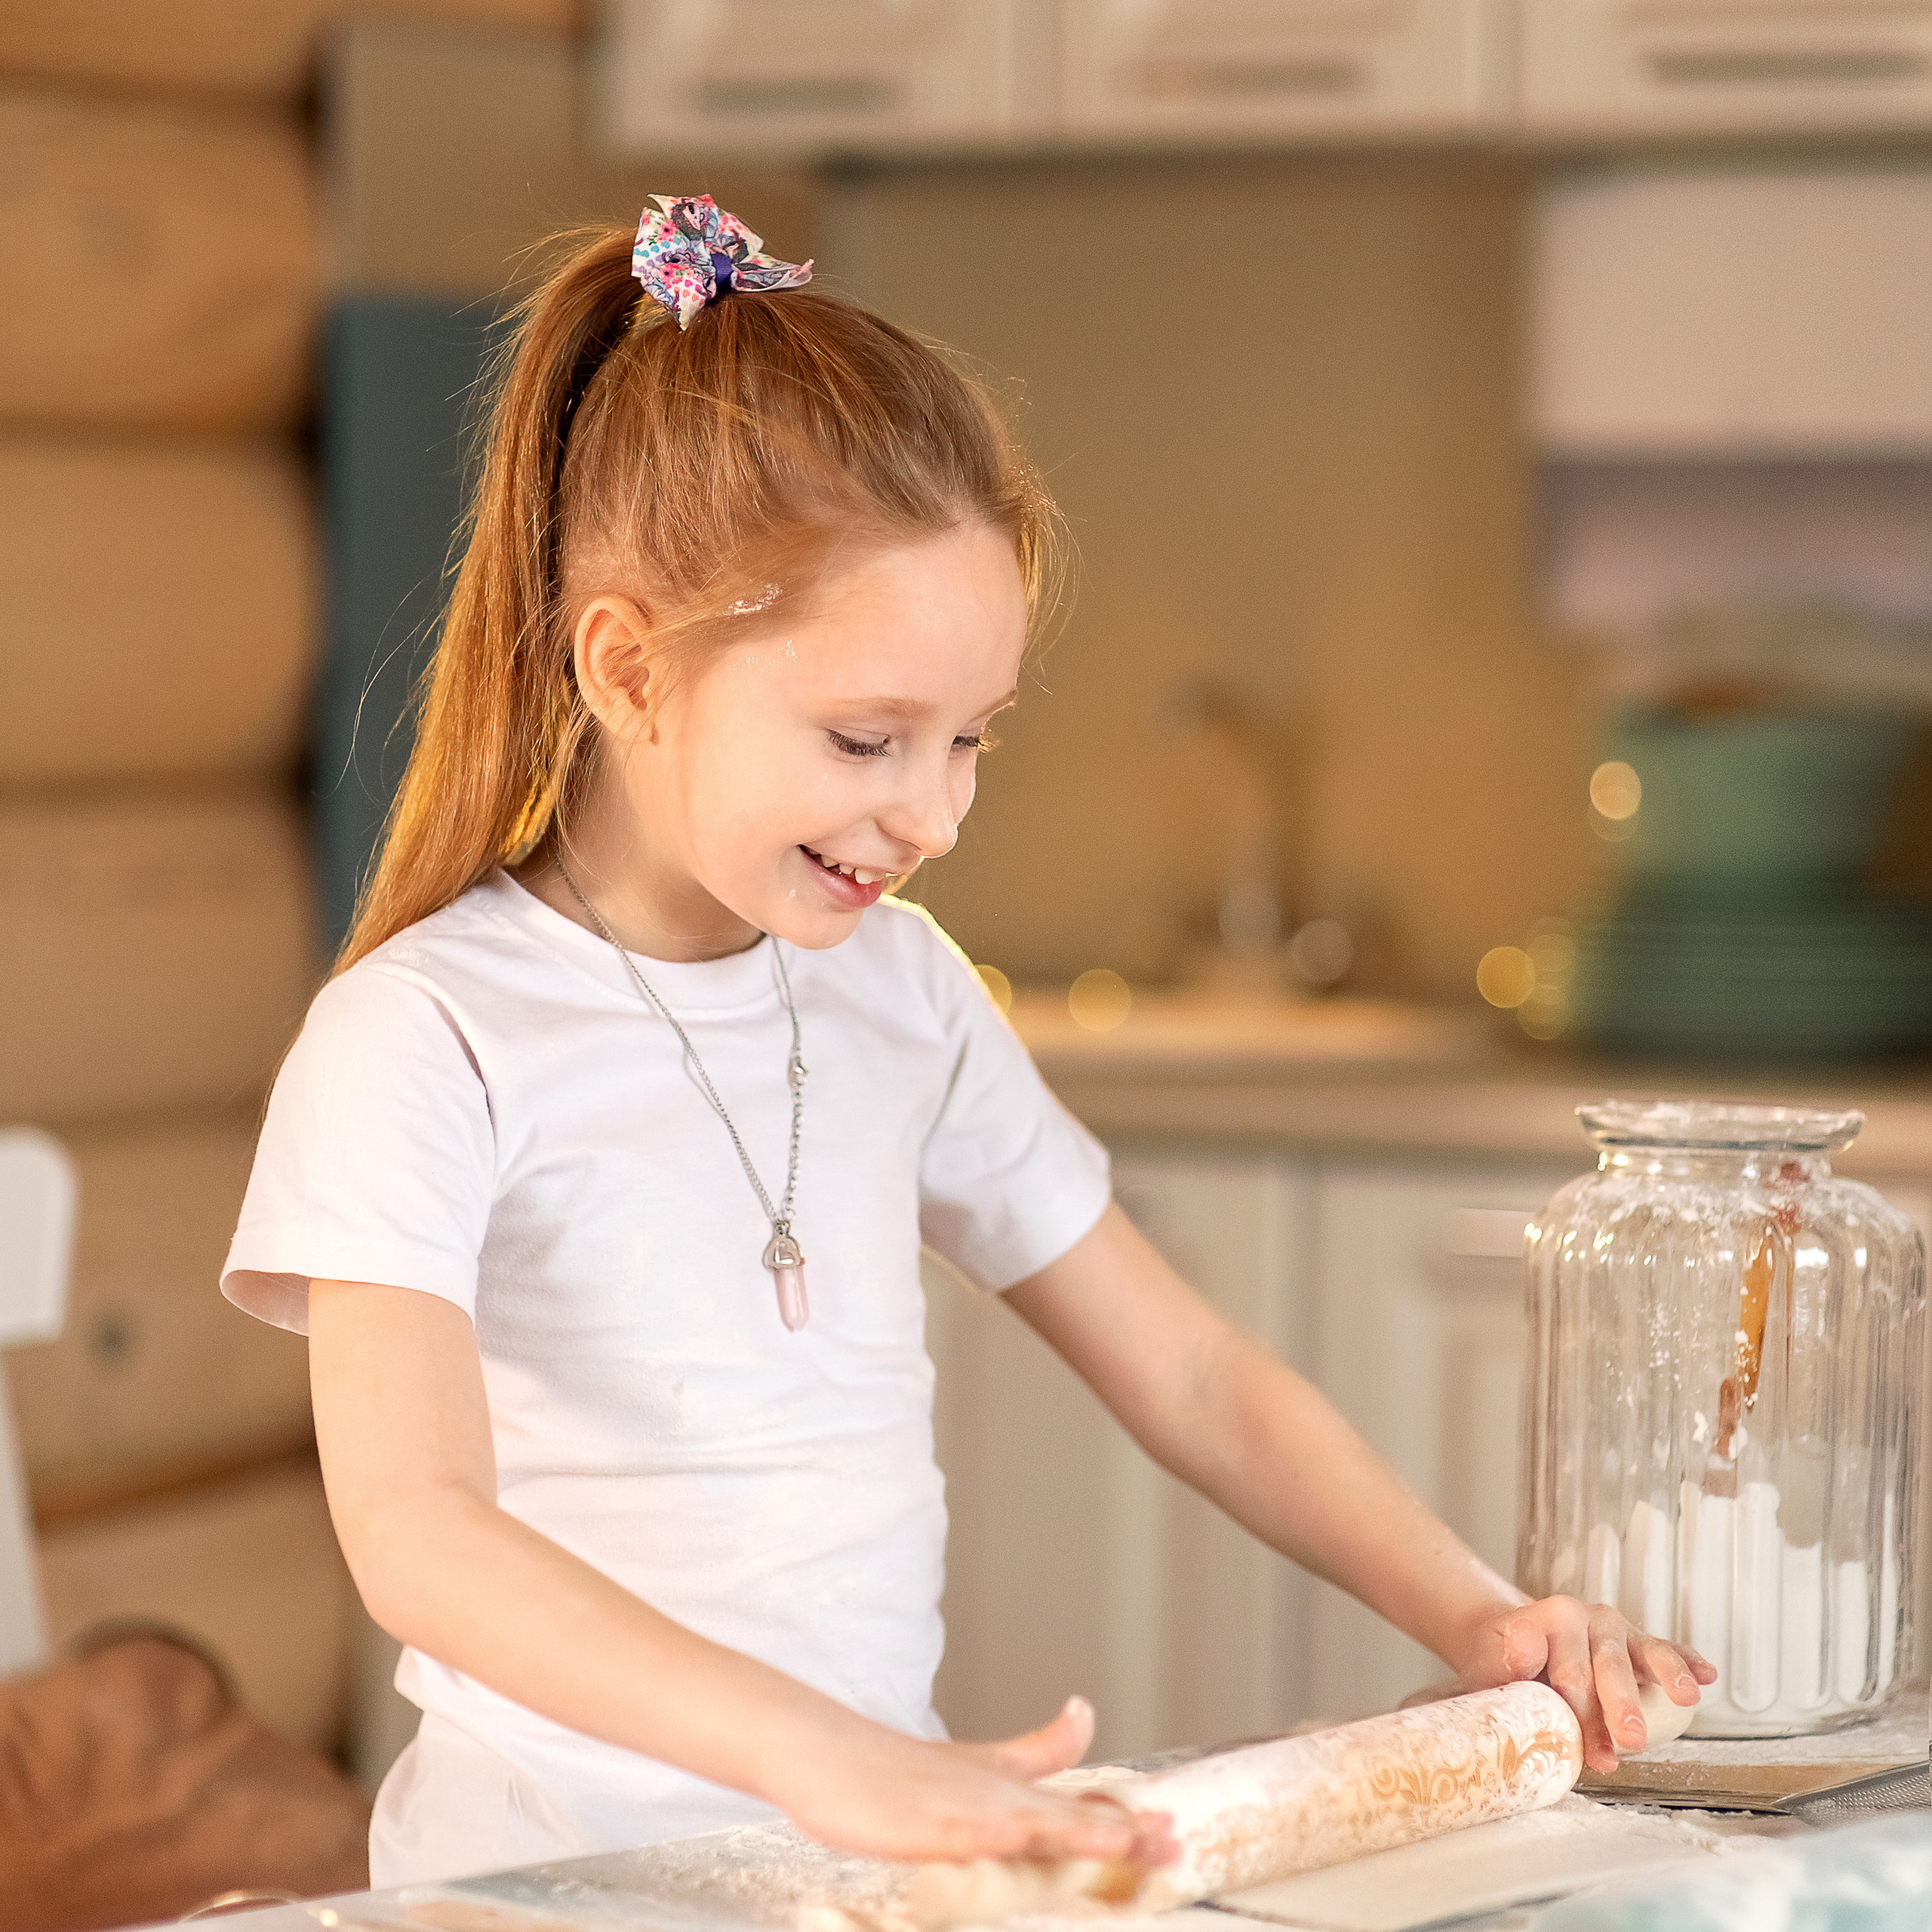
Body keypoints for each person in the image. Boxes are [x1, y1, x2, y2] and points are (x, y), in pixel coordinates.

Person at [223, 197, 1713, 1887]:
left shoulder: (902, 993)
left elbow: (1193, 1374)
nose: (932, 816)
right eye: (869, 739)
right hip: (545, 1891)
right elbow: (419, 1531)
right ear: (627, 671)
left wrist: (1482, 1615)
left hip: (849, 1883)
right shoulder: (425, 1034)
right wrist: (818, 1749)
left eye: (970, 740)